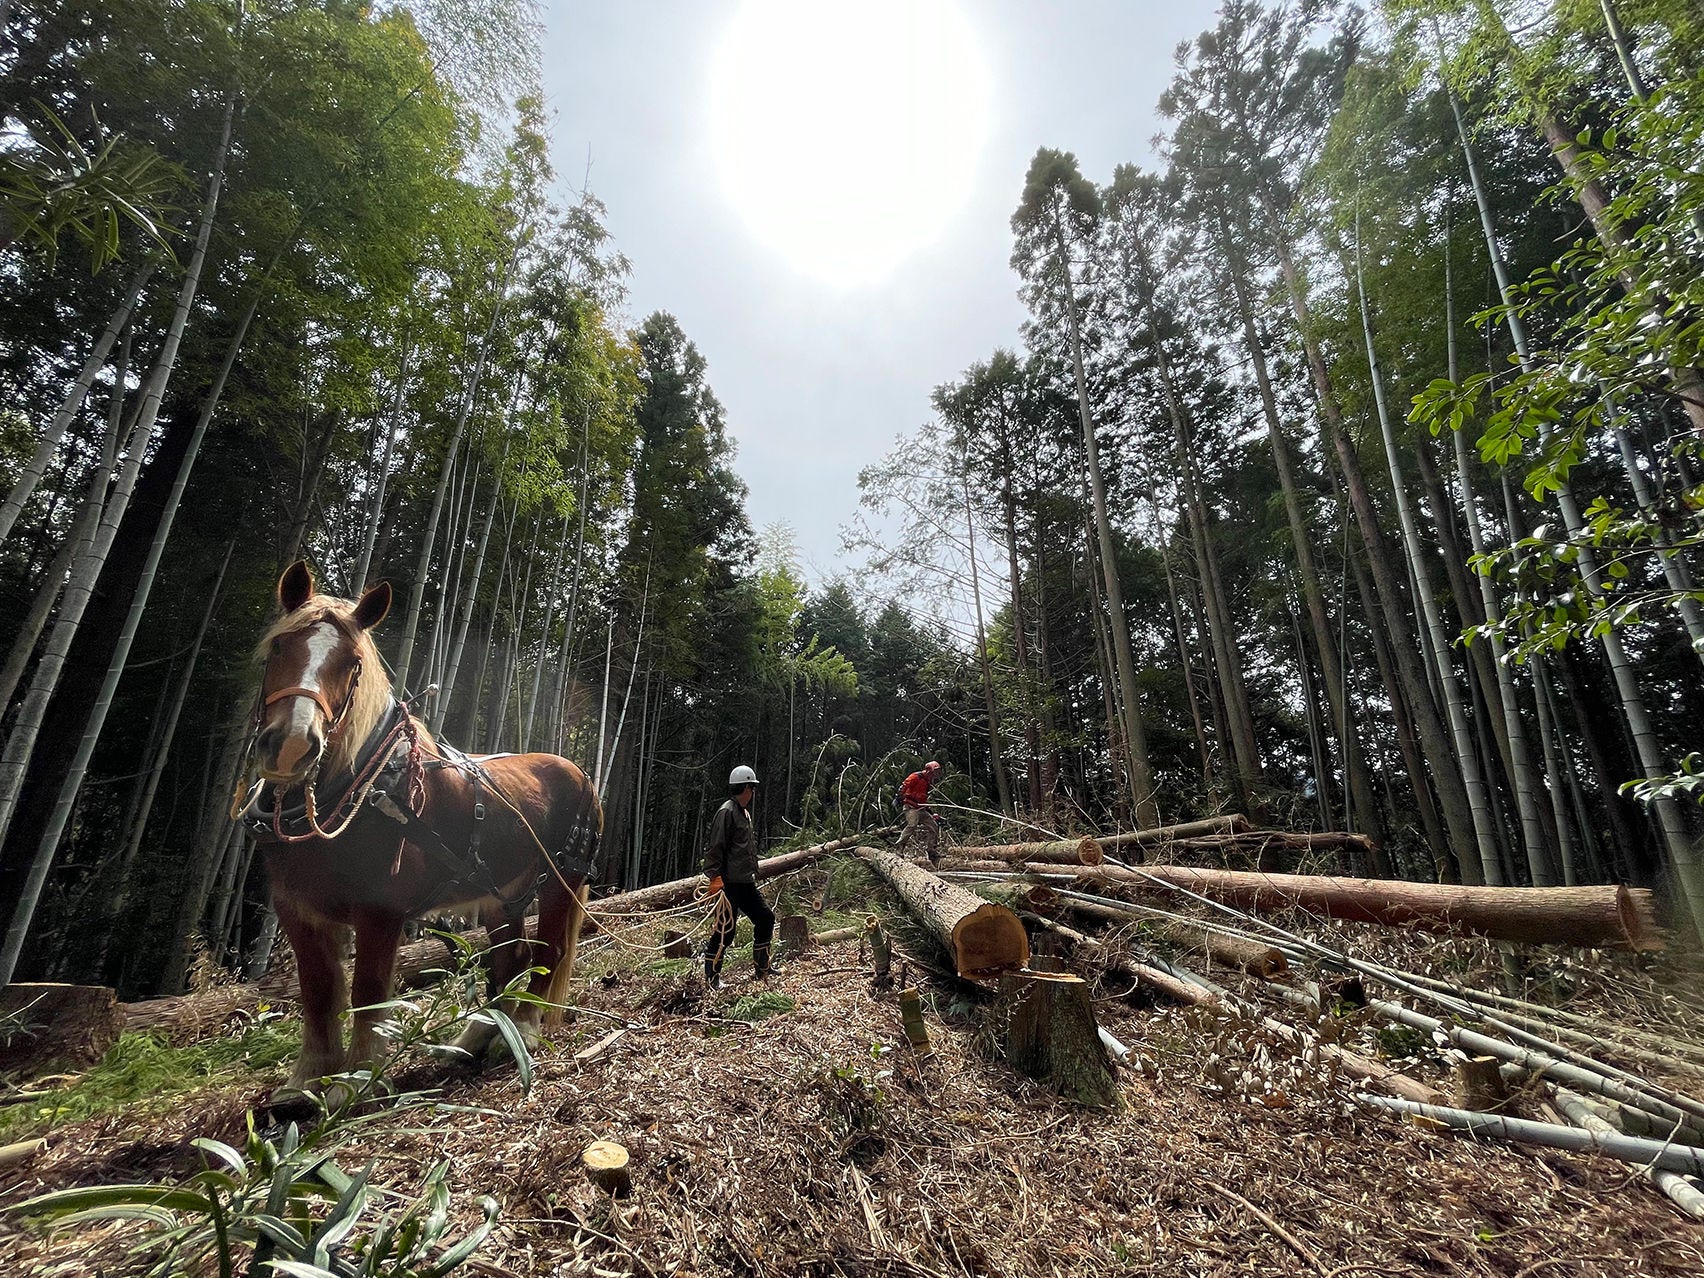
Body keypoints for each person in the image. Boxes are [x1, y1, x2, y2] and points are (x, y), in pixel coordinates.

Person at [701, 763, 776, 987]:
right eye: (751, 788)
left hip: (745, 882)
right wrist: (715, 878)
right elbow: (715, 847)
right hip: (729, 884)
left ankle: (762, 968)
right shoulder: (726, 812)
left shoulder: (743, 813)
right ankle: (712, 978)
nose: (752, 792)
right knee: (726, 931)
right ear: (745, 788)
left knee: (766, 918)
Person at [894, 760, 943, 864]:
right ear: (929, 771)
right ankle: (899, 848)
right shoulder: (916, 776)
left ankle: (931, 850)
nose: (935, 775)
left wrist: (931, 812)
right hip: (910, 806)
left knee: (934, 826)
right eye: (935, 772)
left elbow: (923, 799)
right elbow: (904, 785)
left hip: (921, 808)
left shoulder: (927, 782)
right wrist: (898, 797)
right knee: (912, 824)